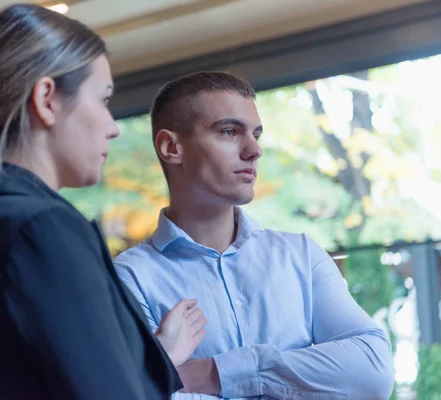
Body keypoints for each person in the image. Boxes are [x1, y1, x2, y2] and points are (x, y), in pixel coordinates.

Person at [0, 4, 206, 400]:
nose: (113, 128)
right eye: (103, 99)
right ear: (47, 99)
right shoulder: (40, 229)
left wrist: (156, 356)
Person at [114, 71, 395, 399]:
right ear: (170, 147)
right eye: (230, 131)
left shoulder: (302, 256)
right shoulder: (129, 279)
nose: (253, 150)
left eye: (256, 135)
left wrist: (214, 373)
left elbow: (373, 370)